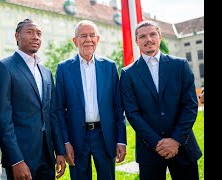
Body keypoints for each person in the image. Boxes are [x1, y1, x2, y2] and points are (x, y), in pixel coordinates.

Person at [119, 20, 202, 180]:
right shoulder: (128, 74)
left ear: (160, 36)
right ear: (136, 41)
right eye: (142, 36)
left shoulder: (180, 65)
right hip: (149, 150)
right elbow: (132, 113)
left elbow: (190, 105)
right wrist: (157, 143)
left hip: (183, 146)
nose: (148, 39)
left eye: (152, 34)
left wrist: (175, 140)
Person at [0, 18, 66, 180]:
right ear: (17, 36)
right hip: (22, 158)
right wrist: (16, 160)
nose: (36, 37)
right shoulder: (4, 67)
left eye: (39, 33)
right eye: (30, 32)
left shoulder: (46, 72)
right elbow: (3, 119)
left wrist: (59, 151)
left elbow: (52, 115)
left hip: (47, 156)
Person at [55, 19, 127, 180]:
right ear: (75, 41)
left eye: (92, 35)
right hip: (76, 138)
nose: (88, 39)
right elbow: (59, 110)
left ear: (98, 39)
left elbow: (118, 107)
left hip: (104, 136)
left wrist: (121, 140)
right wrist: (65, 142)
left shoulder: (109, 67)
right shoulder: (63, 69)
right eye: (83, 36)